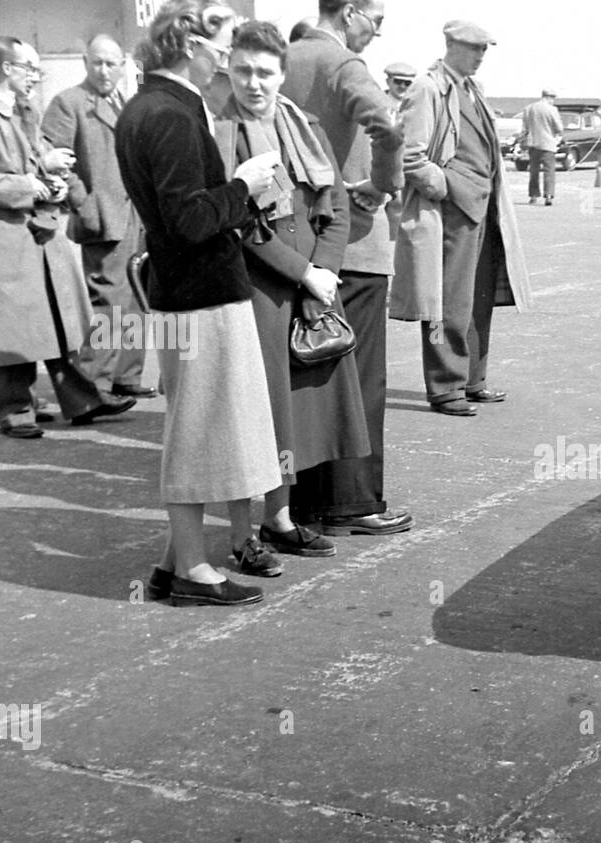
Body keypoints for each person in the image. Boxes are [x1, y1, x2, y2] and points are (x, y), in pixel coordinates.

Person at [116, 0, 285, 605]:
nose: (227, 54)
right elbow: (190, 219)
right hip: (201, 294)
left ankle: (171, 565)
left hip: (186, 293)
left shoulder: (150, 107)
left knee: (206, 426)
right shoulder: (170, 114)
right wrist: (246, 186)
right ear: (190, 45)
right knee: (198, 433)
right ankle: (191, 570)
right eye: (222, 43)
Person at [218, 19, 381, 565]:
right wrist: (303, 273)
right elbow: (237, 223)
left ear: (282, 74)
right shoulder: (220, 132)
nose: (254, 83)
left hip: (311, 289)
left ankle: (281, 519)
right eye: (243, 70)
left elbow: (335, 210)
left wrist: (325, 273)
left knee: (296, 413)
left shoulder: (302, 126)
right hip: (256, 291)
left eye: (265, 72)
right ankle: (243, 538)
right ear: (229, 70)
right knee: (254, 414)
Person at [0, 36, 135, 440]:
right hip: (2, 234)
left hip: (35, 231)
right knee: (14, 327)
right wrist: (30, 186)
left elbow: (30, 161)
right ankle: (16, 410)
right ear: (7, 69)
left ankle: (79, 398)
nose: (36, 75)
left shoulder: (20, 110)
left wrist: (53, 180)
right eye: (29, 67)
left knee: (54, 317)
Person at [281, 0, 414, 538]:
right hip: (354, 245)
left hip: (295, 242)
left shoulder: (282, 58)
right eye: (375, 23)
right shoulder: (344, 66)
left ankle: (302, 503)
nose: (376, 35)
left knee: (310, 376)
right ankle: (353, 504)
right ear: (352, 11)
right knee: (360, 378)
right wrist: (383, 183)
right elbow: (387, 127)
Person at [390, 20, 530, 415]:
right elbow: (409, 155)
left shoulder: (472, 89)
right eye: (473, 48)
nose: (480, 56)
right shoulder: (427, 87)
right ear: (450, 44)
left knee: (478, 301)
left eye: (484, 49)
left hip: (482, 209)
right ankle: (445, 387)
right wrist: (445, 187)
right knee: (446, 301)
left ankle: (472, 379)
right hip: (450, 213)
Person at [41, 35, 153, 399]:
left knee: (138, 297)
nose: (104, 71)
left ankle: (126, 376)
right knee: (109, 301)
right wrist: (82, 201)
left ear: (124, 65)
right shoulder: (68, 102)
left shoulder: (127, 101)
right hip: (103, 216)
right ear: (85, 63)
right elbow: (54, 159)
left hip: (136, 213)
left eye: (111, 63)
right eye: (96, 63)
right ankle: (88, 386)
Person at [520, 89, 562, 206]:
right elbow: (559, 128)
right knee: (549, 171)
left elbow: (525, 129)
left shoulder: (528, 109)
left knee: (534, 171)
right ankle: (548, 195)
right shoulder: (552, 110)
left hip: (533, 144)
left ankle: (533, 196)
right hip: (548, 144)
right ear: (550, 97)